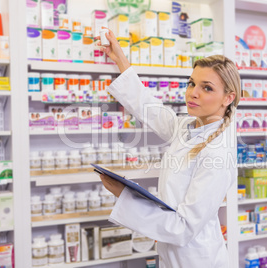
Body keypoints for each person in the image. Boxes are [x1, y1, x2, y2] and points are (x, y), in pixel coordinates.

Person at [98, 28, 241, 267]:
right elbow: (149, 108)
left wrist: (125, 196)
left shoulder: (218, 154)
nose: (192, 93)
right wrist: (120, 59)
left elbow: (183, 228)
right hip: (173, 256)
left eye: (207, 88)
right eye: (191, 83)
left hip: (197, 260)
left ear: (228, 98)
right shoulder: (187, 126)